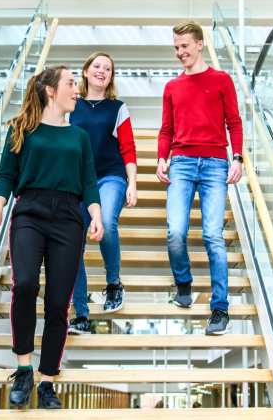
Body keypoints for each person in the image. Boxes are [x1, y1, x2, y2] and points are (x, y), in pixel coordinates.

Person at [0, 66, 104, 409]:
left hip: (68, 219)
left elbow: (89, 180)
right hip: (29, 212)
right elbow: (6, 175)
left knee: (59, 303)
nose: (77, 90)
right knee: (26, 284)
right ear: (50, 90)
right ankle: (23, 369)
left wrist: (96, 213)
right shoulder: (22, 129)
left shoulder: (79, 137)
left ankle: (48, 380)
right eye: (71, 84)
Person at [156, 21, 243, 336]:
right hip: (180, 163)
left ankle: (220, 309)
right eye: (176, 47)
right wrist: (161, 158)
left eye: (184, 46)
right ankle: (184, 283)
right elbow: (166, 128)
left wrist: (238, 157)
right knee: (175, 233)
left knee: (213, 236)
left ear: (200, 44)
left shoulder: (221, 80)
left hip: (216, 165)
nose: (180, 52)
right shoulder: (172, 87)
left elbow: (233, 121)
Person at [67, 52, 138, 335]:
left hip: (111, 177)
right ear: (85, 71)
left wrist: (132, 183)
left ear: (111, 76)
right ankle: (81, 315)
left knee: (107, 222)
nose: (101, 71)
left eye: (107, 68)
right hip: (77, 182)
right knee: (72, 243)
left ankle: (113, 284)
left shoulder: (118, 108)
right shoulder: (71, 105)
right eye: (96, 66)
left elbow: (129, 149)